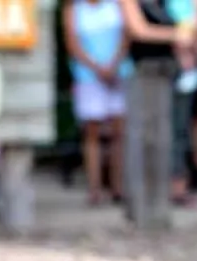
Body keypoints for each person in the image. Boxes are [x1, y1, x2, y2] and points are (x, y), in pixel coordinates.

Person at [118, 0, 197, 227]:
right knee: (140, 141)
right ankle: (139, 208)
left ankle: (160, 208)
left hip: (165, 74)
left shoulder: (164, 4)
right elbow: (138, 30)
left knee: (162, 142)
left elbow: (187, 25)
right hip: (140, 73)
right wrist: (175, 35)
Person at [65, 0, 132, 207]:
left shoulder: (118, 4)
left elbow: (127, 35)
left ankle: (117, 187)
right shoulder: (73, 9)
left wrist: (113, 65)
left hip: (118, 72)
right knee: (91, 132)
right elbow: (72, 45)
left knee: (118, 132)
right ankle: (94, 188)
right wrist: (97, 68)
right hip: (88, 76)